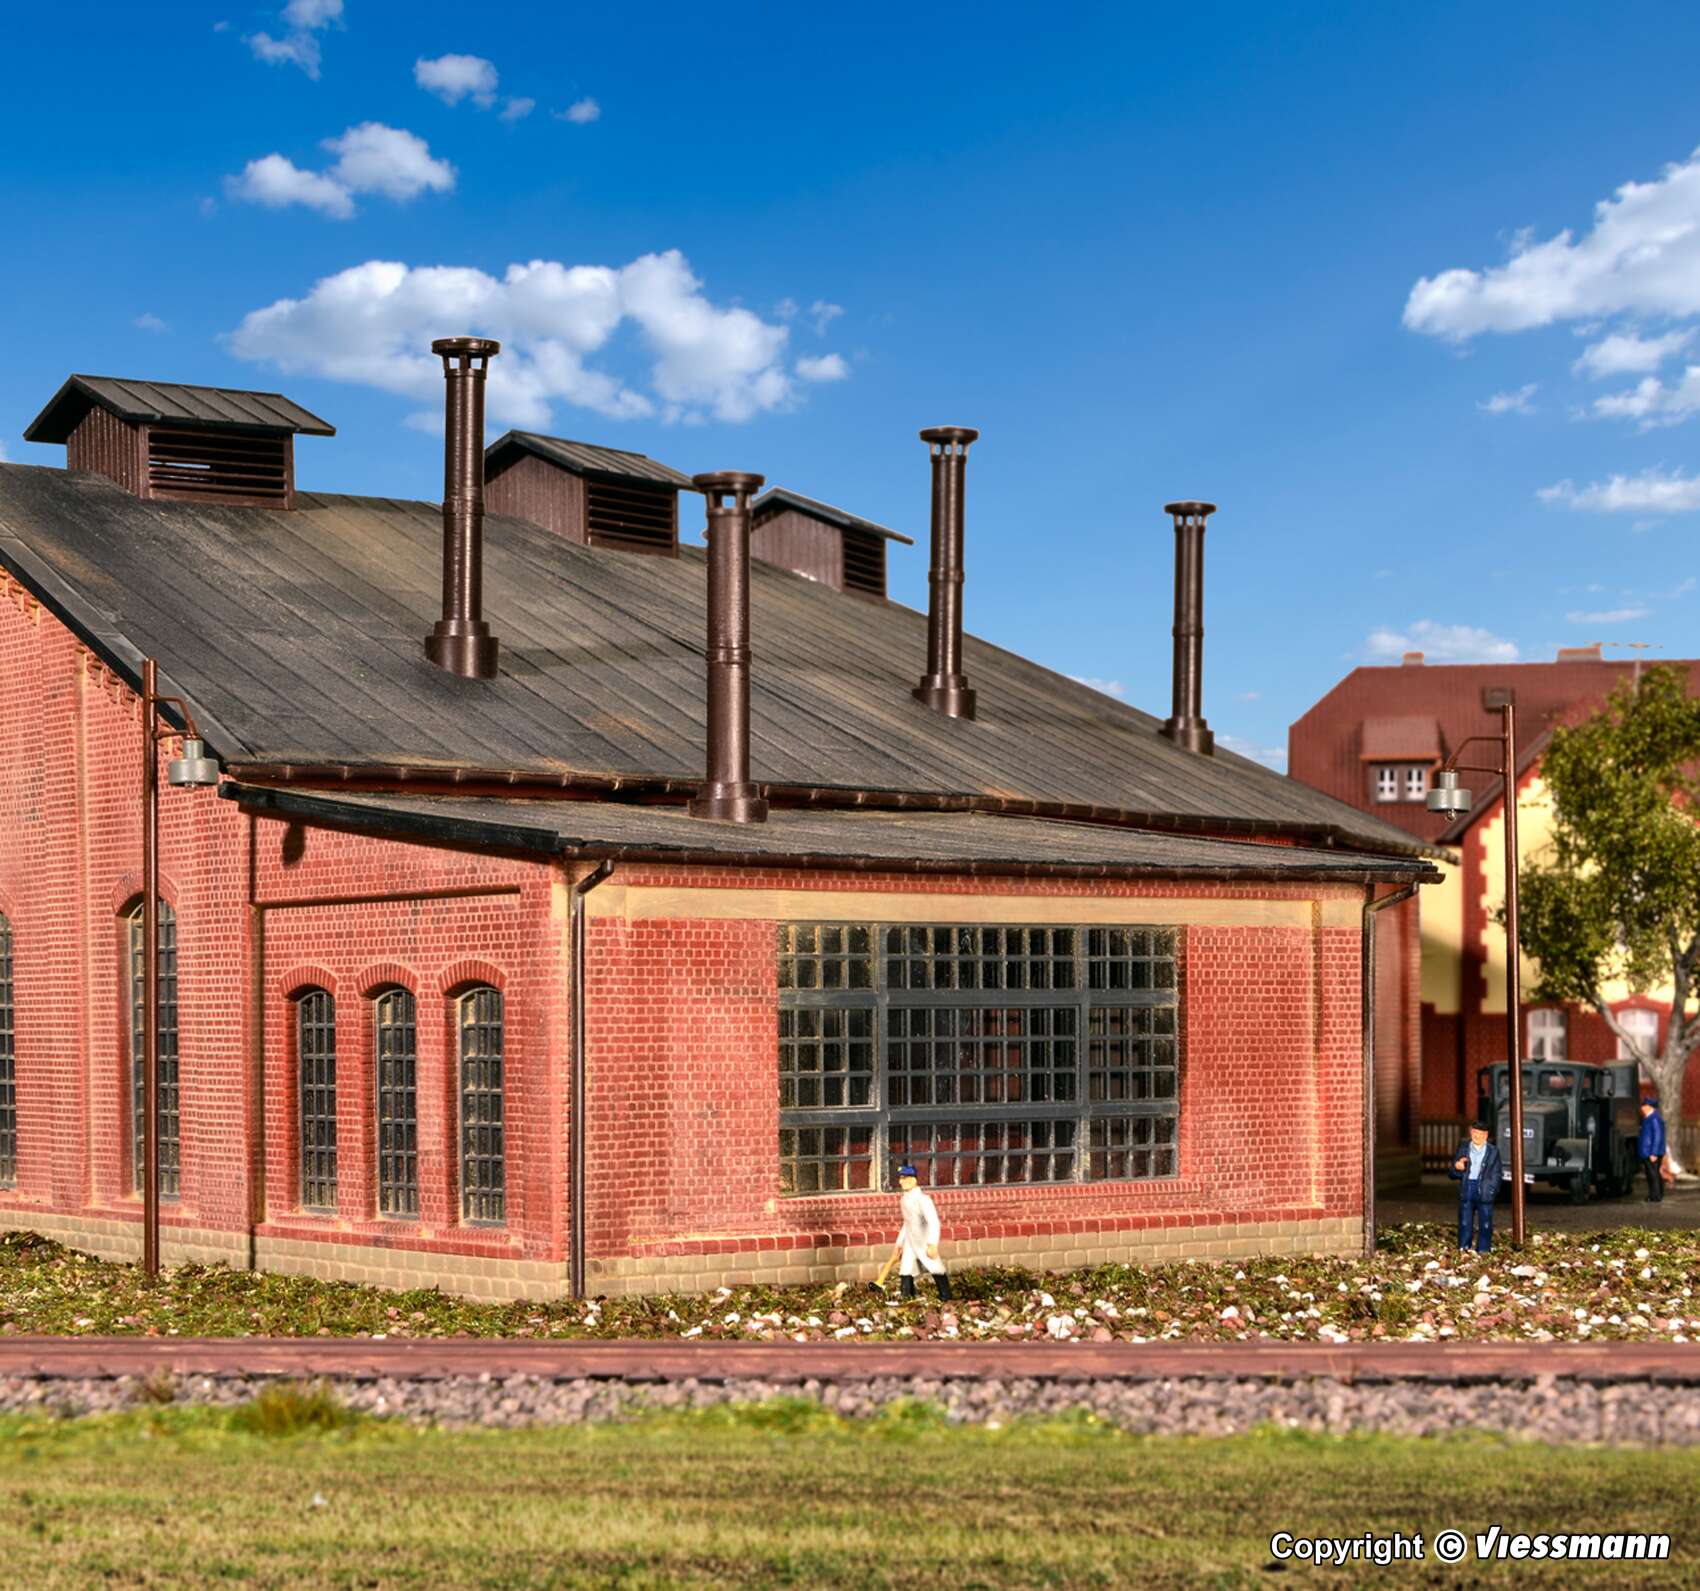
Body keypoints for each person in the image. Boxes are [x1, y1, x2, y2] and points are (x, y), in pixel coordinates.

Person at [889, 1162, 951, 1301]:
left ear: (913, 1180)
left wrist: (932, 1244)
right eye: (900, 1178)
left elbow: (934, 1222)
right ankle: (907, 1295)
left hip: (923, 1240)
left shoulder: (923, 1200)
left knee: (935, 1267)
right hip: (911, 1240)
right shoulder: (904, 1200)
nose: (901, 1182)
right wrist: (899, 1244)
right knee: (905, 1268)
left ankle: (946, 1295)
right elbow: (907, 1223)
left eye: (904, 1178)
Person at [1448, 1121, 1502, 1254]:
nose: (1477, 1136)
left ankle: (1483, 1249)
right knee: (1465, 1222)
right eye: (1474, 1133)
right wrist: (1457, 1167)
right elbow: (1452, 1173)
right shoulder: (1464, 1149)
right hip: (1468, 1187)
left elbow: (1497, 1173)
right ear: (1471, 1133)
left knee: (1485, 1222)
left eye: (1480, 1134)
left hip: (1484, 1189)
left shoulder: (1493, 1151)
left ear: (1486, 1135)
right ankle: (1464, 1247)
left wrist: (1492, 1189)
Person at [1639, 1098, 1667, 1203]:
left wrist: (1654, 1152)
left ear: (1649, 1107)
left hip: (1651, 1152)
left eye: (1644, 1106)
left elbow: (1658, 1136)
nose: (1642, 1108)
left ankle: (1655, 1196)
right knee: (1652, 1174)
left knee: (1653, 1175)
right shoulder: (1649, 1118)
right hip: (1648, 1152)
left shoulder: (1654, 1119)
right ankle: (1655, 1194)